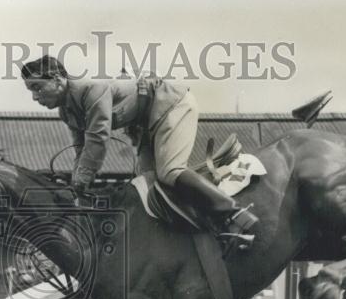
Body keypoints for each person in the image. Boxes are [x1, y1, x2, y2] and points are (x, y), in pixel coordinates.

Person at [20, 55, 258, 242]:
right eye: (30, 90)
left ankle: (234, 213)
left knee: (170, 172)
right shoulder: (66, 111)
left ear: (58, 80)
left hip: (172, 104)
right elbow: (81, 151)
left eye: (38, 87)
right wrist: (76, 183)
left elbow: (97, 140)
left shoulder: (92, 89)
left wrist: (79, 183)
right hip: (146, 124)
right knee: (145, 186)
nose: (33, 97)